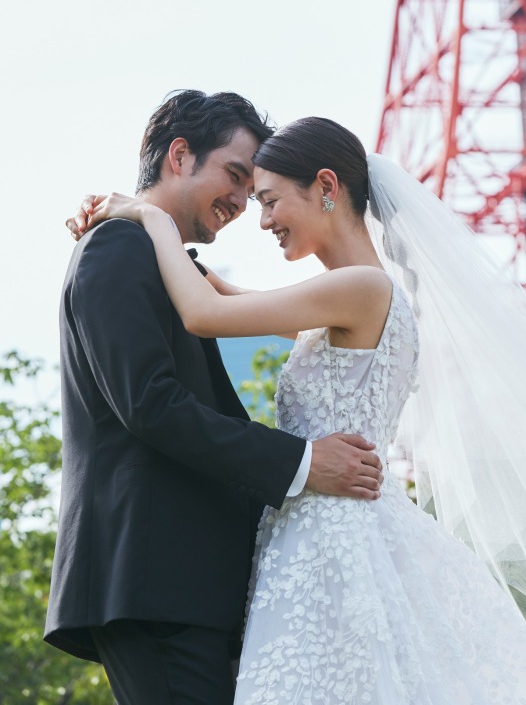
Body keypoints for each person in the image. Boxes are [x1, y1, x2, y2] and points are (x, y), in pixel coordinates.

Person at [71, 117, 526, 704]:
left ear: (326, 187)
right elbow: (220, 297)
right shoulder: (344, 300)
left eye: (268, 199)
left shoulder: (360, 291)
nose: (260, 220)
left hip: (333, 531)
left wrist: (148, 219)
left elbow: (199, 313)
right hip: (321, 527)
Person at [46, 93, 382, 705]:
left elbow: (217, 306)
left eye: (255, 189)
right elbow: (149, 403)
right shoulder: (117, 248)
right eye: (234, 175)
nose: (243, 202)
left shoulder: (165, 260)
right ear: (180, 155)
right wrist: (305, 463)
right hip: (153, 579)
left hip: (192, 585)